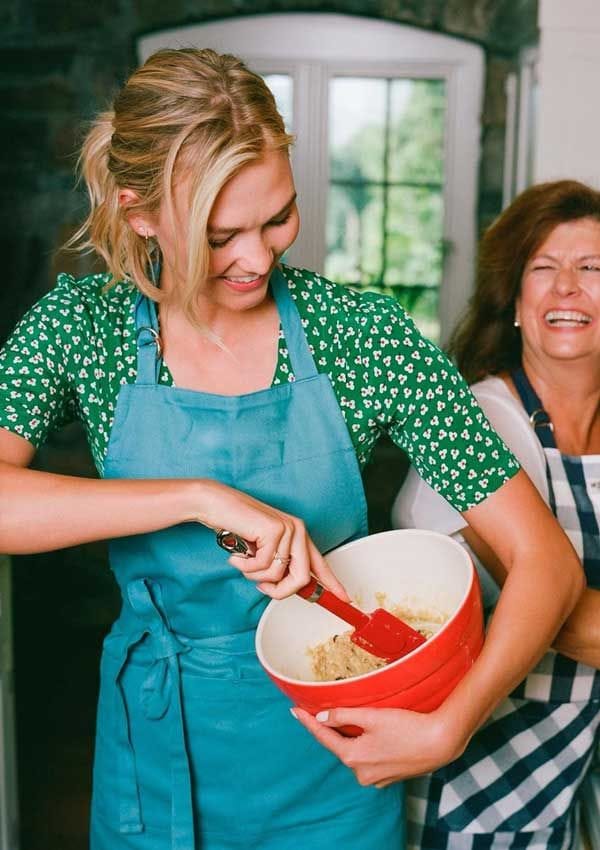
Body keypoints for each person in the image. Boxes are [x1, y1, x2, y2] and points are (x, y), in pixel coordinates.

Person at [0, 49, 583, 850]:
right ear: (139, 215)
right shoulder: (83, 329)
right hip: (153, 754)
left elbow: (548, 565)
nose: (257, 258)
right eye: (220, 234)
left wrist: (450, 725)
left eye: (278, 217)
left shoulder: (364, 338)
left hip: (336, 766)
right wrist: (200, 496)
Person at [393, 179, 600, 850]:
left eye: (592, 269)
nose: (567, 287)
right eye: (544, 269)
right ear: (513, 302)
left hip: (572, 779)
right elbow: (567, 621)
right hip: (477, 783)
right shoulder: (478, 427)